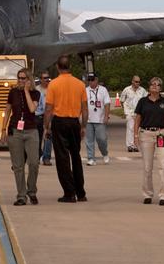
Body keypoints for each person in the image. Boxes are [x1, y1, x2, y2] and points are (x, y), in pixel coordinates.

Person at [43, 56, 88, 203]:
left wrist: (46, 126)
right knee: (76, 156)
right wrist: (83, 126)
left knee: (63, 159)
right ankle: (80, 192)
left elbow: (49, 108)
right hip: (74, 122)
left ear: (57, 67)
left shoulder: (53, 84)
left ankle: (69, 192)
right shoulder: (80, 84)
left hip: (60, 122)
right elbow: (85, 108)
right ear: (70, 67)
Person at [134, 77, 164, 205]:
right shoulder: (143, 101)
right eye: (152, 84)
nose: (155, 86)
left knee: (163, 165)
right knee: (147, 167)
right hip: (146, 134)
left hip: (162, 134)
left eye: (158, 85)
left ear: (160, 88)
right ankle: (147, 193)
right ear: (149, 87)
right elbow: (137, 119)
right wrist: (135, 136)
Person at [6, 67, 40, 205]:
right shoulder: (12, 92)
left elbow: (32, 109)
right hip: (15, 131)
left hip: (31, 130)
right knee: (18, 165)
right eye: (19, 78)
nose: (20, 80)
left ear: (29, 79)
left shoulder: (35, 93)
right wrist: (3, 129)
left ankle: (31, 190)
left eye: (23, 78)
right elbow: (7, 110)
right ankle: (21, 195)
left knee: (34, 163)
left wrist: (26, 90)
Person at [85, 72, 111, 165]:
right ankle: (91, 158)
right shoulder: (85, 90)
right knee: (89, 140)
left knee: (102, 139)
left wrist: (106, 116)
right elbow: (83, 104)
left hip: (100, 119)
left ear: (96, 80)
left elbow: (107, 104)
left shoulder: (103, 90)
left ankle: (105, 153)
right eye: (89, 80)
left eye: (92, 80)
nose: (91, 82)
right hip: (88, 119)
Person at [120, 75, 147, 152]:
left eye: (139, 82)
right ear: (132, 81)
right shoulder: (126, 90)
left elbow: (146, 100)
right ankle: (130, 145)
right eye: (136, 81)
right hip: (129, 112)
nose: (137, 83)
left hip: (139, 113)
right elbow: (122, 100)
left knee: (138, 130)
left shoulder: (142, 90)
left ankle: (136, 145)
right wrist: (125, 110)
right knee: (130, 128)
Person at [35, 72, 52, 165]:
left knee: (48, 137)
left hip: (49, 115)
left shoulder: (52, 89)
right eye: (44, 78)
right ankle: (37, 156)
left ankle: (46, 158)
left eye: (48, 78)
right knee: (37, 138)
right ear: (40, 79)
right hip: (39, 116)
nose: (46, 80)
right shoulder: (37, 90)